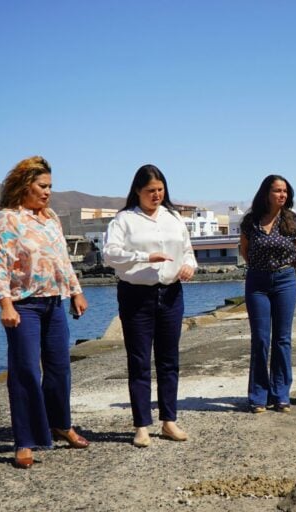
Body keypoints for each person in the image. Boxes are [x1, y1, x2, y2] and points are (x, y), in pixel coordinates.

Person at [0, 156, 90, 469]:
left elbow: (62, 259)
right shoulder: (6, 219)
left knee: (60, 368)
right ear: (24, 185)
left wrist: (75, 290)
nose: (47, 192)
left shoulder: (51, 217)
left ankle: (61, 424)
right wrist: (5, 303)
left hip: (54, 303)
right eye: (42, 186)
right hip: (23, 306)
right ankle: (25, 441)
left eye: (50, 187)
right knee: (26, 372)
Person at [103, 164, 197, 447]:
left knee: (169, 361)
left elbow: (188, 252)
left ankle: (169, 421)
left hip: (170, 295)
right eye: (150, 191)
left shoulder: (174, 218)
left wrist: (189, 267)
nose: (156, 195)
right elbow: (110, 255)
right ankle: (141, 425)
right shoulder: (124, 220)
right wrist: (145, 257)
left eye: (160, 190)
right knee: (140, 362)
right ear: (137, 191)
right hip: (136, 297)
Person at [240, 175, 296, 413]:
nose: (282, 195)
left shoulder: (293, 222)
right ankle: (258, 395)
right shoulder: (251, 222)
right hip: (257, 282)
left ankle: (281, 394)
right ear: (266, 193)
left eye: (285, 191)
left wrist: (281, 269)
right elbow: (245, 251)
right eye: (278, 191)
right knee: (260, 339)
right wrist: (262, 268)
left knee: (282, 339)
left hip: (285, 280)